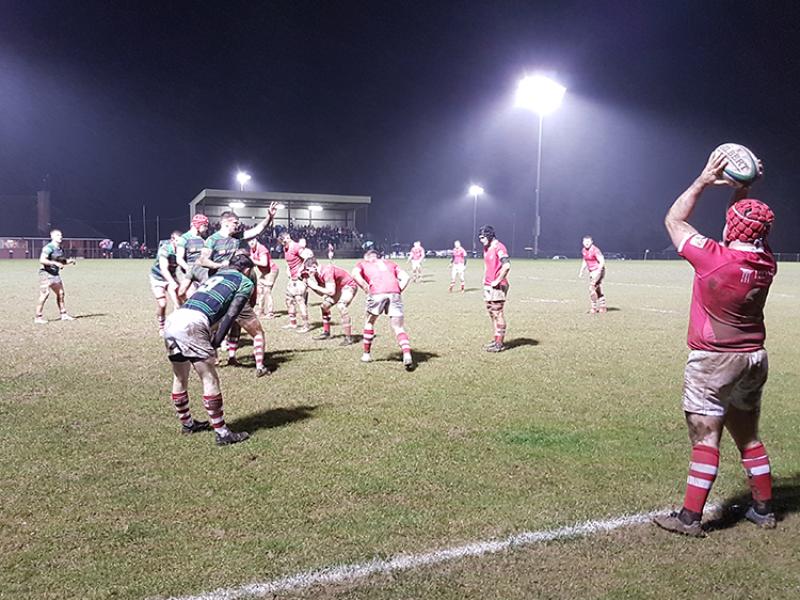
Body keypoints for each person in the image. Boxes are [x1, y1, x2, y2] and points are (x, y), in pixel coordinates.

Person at [653, 151, 777, 537]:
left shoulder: (715, 260)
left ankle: (689, 518)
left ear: (731, 229)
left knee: (706, 437)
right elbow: (742, 222)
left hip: (715, 362)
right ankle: (764, 509)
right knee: (748, 436)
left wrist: (705, 180)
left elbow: (674, 219)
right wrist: (743, 188)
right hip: (753, 359)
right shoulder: (767, 262)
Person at [162, 254, 256, 446]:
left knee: (180, 376)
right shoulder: (244, 281)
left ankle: (188, 424)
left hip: (175, 319)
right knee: (209, 377)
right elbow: (232, 314)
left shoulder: (216, 275)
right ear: (247, 270)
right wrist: (216, 342)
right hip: (194, 324)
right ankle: (222, 433)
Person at [196, 205, 277, 377]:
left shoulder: (237, 237)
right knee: (219, 328)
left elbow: (258, 229)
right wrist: (220, 265)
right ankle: (258, 366)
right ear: (225, 223)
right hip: (222, 289)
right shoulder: (212, 240)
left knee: (231, 325)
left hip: (229, 287)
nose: (238, 226)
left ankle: (231, 357)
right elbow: (202, 260)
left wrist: (269, 217)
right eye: (235, 223)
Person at [352, 247, 414, 370]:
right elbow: (406, 277)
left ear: (368, 257)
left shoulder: (363, 263)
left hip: (376, 292)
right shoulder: (391, 263)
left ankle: (366, 354)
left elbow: (354, 274)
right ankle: (406, 353)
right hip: (394, 292)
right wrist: (398, 290)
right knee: (398, 327)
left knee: (369, 322)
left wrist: (364, 286)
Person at [303, 257, 358, 345]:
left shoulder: (326, 271)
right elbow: (322, 293)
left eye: (308, 270)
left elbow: (331, 291)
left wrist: (314, 286)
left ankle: (348, 338)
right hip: (338, 287)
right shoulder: (317, 274)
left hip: (348, 285)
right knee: (324, 306)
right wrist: (310, 286)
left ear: (314, 266)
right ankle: (326, 332)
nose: (307, 272)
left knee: (341, 306)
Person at [34, 229, 76, 323]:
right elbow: (42, 260)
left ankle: (64, 314)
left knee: (61, 293)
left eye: (61, 235)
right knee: (45, 294)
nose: (60, 236)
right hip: (45, 273)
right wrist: (55, 264)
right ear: (52, 237)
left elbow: (61, 261)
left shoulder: (59, 249)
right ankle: (38, 317)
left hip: (55, 274)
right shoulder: (48, 247)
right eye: (57, 235)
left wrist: (69, 261)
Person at [479, 225, 510, 352]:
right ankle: (496, 339)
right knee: (492, 313)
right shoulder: (486, 248)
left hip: (498, 286)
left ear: (489, 235)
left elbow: (507, 265)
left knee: (498, 312)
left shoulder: (499, 247)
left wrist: (497, 280)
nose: (481, 240)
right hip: (488, 285)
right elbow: (487, 265)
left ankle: (499, 344)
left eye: (482, 237)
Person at [278, 231, 314, 332]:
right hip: (292, 278)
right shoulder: (285, 248)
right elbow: (289, 262)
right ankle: (293, 323)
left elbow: (308, 257)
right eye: (281, 242)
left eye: (283, 241)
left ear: (287, 238)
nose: (282, 243)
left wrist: (300, 270)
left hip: (300, 278)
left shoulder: (296, 247)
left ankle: (306, 325)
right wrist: (287, 269)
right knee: (288, 300)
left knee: (299, 300)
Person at [149, 231, 182, 335]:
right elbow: (163, 268)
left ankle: (176, 324)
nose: (180, 244)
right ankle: (162, 326)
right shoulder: (165, 249)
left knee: (179, 301)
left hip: (171, 276)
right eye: (177, 241)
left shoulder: (182, 250)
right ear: (172, 240)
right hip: (158, 277)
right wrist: (172, 282)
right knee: (162, 304)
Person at [176, 214, 209, 301]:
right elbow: (179, 258)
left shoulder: (203, 240)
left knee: (196, 295)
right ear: (198, 225)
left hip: (199, 270)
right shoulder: (184, 238)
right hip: (186, 270)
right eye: (205, 225)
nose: (206, 228)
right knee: (184, 293)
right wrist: (187, 268)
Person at [248, 237, 279, 319]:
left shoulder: (261, 249)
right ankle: (260, 311)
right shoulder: (252, 249)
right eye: (249, 241)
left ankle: (270, 313)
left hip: (271, 270)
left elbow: (264, 263)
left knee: (267, 291)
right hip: (264, 272)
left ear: (256, 240)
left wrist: (252, 261)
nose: (251, 243)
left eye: (252, 240)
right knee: (259, 291)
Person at [578, 235, 607, 313]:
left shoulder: (595, 250)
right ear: (583, 242)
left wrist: (599, 272)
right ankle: (603, 306)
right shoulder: (584, 250)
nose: (586, 243)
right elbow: (585, 260)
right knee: (597, 289)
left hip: (598, 271)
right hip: (592, 272)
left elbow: (602, 261)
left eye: (588, 242)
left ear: (591, 242)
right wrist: (582, 270)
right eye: (585, 242)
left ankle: (593, 308)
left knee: (591, 288)